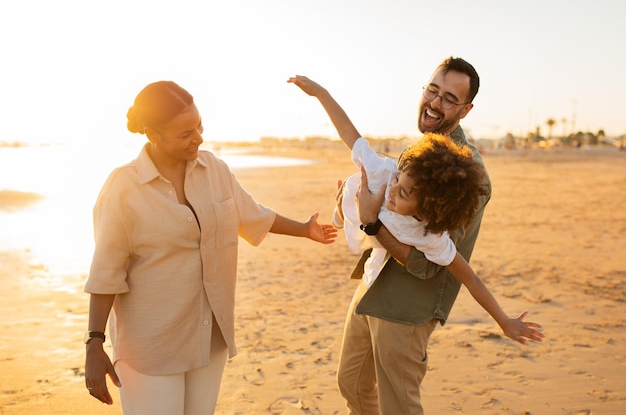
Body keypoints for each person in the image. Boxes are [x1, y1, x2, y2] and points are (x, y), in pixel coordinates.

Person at [291, 58, 544, 415]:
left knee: (399, 405)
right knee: (352, 385)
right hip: (374, 282)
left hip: (409, 305)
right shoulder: (419, 152)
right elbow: (364, 158)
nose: (435, 103)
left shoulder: (465, 174)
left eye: (449, 99)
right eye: (432, 90)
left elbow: (431, 265)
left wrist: (370, 223)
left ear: (466, 109)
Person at [83, 80, 337, 414]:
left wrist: (304, 230)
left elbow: (252, 215)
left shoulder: (215, 170)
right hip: (151, 345)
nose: (199, 137)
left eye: (199, 125)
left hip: (209, 336)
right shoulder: (123, 187)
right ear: (153, 135)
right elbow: (106, 270)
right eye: (185, 133)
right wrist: (94, 342)